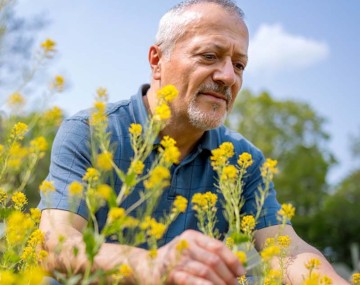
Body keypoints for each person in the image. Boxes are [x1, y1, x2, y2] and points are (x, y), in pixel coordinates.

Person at [39, 0, 349, 284]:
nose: (228, 76)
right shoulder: (91, 132)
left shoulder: (245, 161)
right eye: (209, 56)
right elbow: (54, 244)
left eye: (239, 65)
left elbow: (288, 251)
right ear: (157, 60)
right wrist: (148, 263)